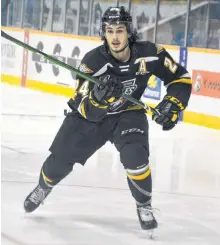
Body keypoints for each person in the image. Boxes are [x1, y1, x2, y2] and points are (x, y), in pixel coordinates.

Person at [24, 6, 192, 231]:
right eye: (110, 30)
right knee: (58, 164)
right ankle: (43, 187)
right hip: (90, 119)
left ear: (129, 31)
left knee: (136, 157)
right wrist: (99, 99)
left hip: (128, 114)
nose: (114, 36)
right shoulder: (92, 61)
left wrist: (173, 104)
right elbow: (83, 107)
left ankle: (144, 205)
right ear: (103, 32)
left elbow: (180, 77)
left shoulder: (150, 53)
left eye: (119, 30)